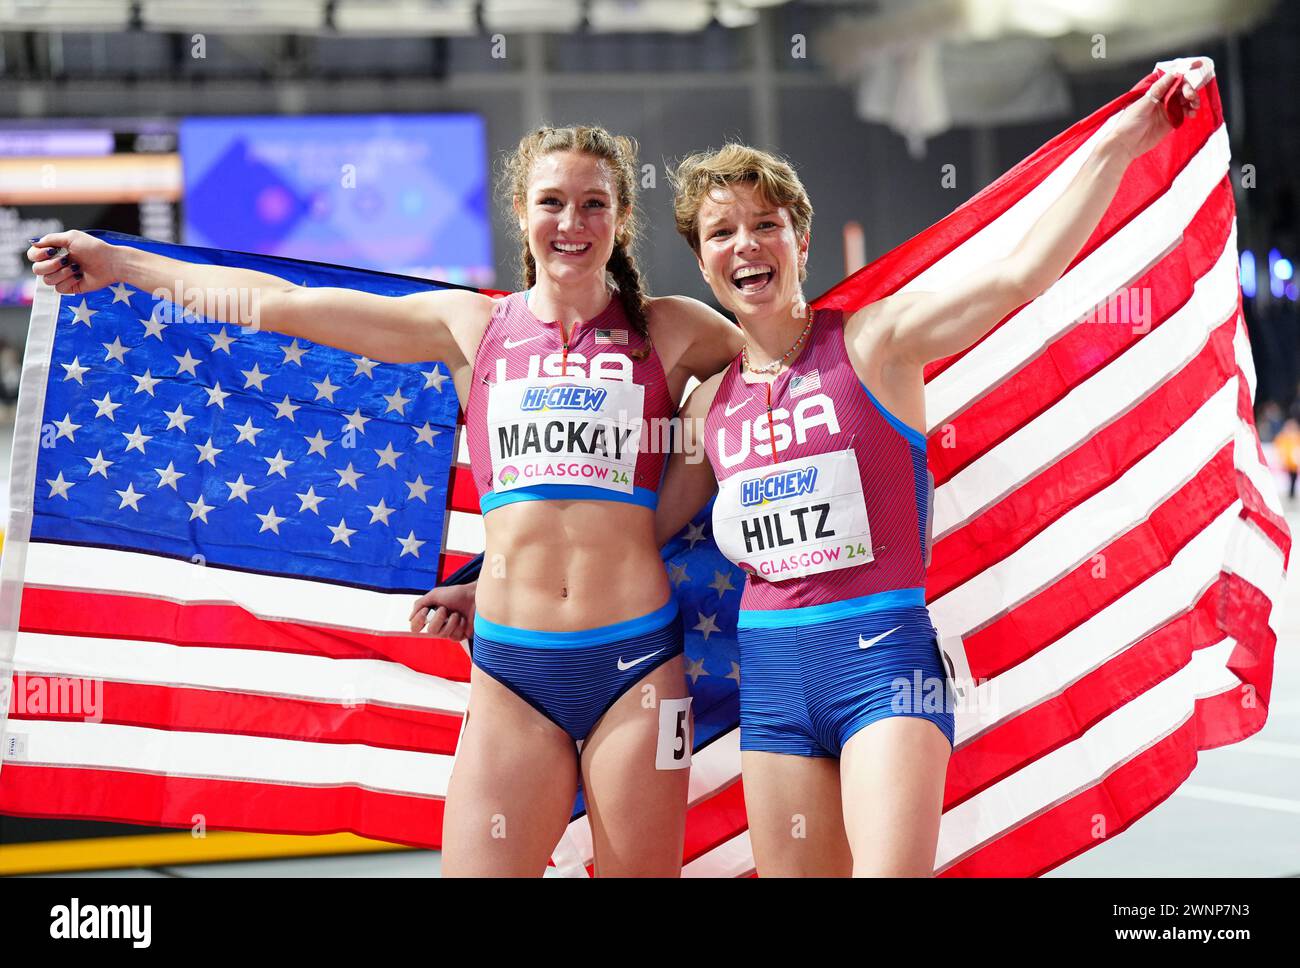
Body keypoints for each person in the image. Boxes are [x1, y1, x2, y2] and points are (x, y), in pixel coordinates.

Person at [28, 124, 742, 877]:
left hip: (638, 673)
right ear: (521, 214)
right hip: (513, 676)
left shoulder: (673, 331)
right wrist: (125, 263)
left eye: (594, 204)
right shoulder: (472, 327)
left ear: (622, 218)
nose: (572, 223)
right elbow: (286, 307)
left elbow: (787, 375)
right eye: (552, 202)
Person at [650, 69, 1200, 876]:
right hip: (772, 683)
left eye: (764, 224)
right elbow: (632, 536)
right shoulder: (706, 410)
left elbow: (1017, 277)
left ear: (801, 241)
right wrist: (488, 580)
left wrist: (1121, 142)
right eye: (721, 233)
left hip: (884, 671)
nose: (745, 245)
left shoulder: (877, 341)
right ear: (703, 265)